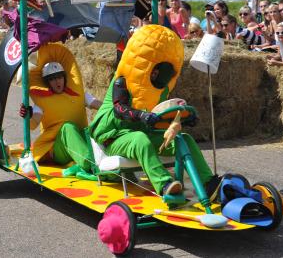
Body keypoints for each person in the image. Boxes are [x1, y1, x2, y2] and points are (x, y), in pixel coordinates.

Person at [89, 25, 217, 197]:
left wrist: (184, 118)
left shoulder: (161, 90)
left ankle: (208, 183)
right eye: (155, 70)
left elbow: (160, 116)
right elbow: (120, 109)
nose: (157, 75)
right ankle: (165, 185)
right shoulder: (122, 81)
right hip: (114, 136)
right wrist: (142, 115)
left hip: (141, 133)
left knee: (183, 139)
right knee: (139, 139)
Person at [19, 54, 102, 178]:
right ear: (48, 83)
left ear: (64, 78)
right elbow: (33, 124)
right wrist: (28, 115)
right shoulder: (42, 102)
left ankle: (94, 161)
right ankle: (90, 165)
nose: (57, 81)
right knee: (67, 127)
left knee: (97, 126)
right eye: (52, 79)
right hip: (58, 150)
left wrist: (115, 107)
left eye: (59, 77)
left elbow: (98, 104)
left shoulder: (79, 95)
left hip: (78, 142)